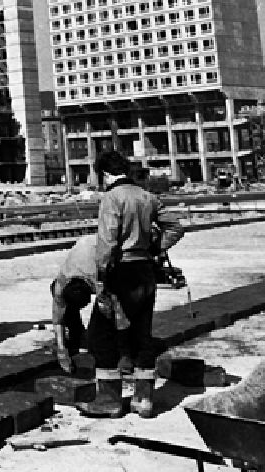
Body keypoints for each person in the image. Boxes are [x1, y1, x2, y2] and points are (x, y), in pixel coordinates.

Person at [78, 149, 183, 419]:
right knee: (141, 332)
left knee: (102, 335)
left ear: (104, 174)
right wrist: (156, 249)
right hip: (145, 270)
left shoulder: (112, 198)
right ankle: (144, 399)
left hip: (120, 271)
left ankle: (109, 400)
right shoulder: (147, 196)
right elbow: (176, 227)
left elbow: (107, 241)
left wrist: (102, 276)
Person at [51, 233, 131, 376]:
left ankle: (120, 348)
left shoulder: (99, 277)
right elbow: (58, 320)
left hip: (109, 247)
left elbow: (118, 311)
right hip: (84, 251)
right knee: (71, 315)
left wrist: (124, 348)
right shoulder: (60, 284)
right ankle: (78, 336)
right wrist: (61, 349)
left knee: (107, 314)